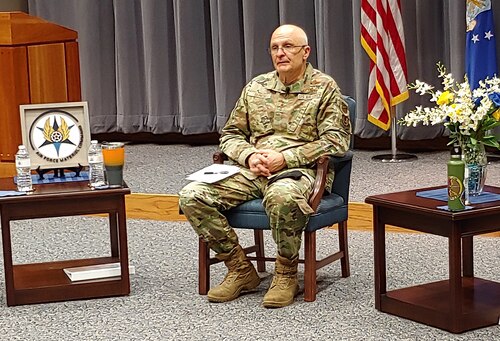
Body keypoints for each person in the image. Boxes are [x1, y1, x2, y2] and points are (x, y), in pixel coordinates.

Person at [179, 24, 351, 308]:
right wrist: (248, 156)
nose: (280, 53)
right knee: (192, 195)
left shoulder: (324, 87)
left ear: (305, 52)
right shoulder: (256, 87)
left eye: (288, 47)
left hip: (300, 171)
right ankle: (240, 269)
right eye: (275, 48)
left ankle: (286, 273)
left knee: (282, 197)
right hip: (253, 170)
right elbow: (230, 134)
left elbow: (336, 141)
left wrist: (287, 158)